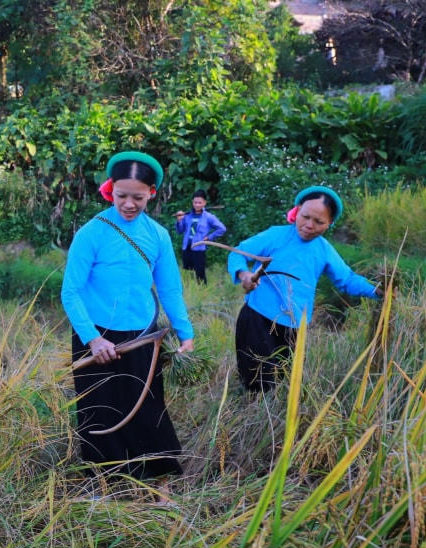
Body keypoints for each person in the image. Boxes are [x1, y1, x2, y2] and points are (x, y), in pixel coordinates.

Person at [61, 151, 195, 492]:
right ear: (110, 190)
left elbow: (169, 288)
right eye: (122, 196)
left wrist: (185, 332)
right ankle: (105, 484)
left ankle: (157, 482)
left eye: (138, 197)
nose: (129, 204)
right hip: (97, 336)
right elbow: (71, 292)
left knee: (147, 407)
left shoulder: (159, 235)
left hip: (143, 337)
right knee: (99, 410)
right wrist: (93, 339)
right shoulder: (92, 233)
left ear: (152, 192)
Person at [227, 186, 382, 392]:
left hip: (294, 326)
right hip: (258, 318)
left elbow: (347, 279)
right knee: (257, 382)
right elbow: (237, 254)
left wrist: (375, 291)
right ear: (297, 210)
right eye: (305, 216)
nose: (309, 225)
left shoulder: (324, 250)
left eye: (319, 222)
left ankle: (277, 422)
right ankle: (249, 417)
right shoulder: (276, 236)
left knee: (286, 381)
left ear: (329, 224)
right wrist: (243, 274)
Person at [174, 189, 227, 284]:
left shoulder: (208, 217)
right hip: (186, 247)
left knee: (200, 273)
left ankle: (203, 292)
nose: (197, 205)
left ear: (204, 203)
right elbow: (179, 231)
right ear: (192, 202)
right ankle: (188, 292)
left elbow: (222, 229)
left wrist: (209, 238)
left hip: (199, 248)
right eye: (195, 202)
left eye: (200, 202)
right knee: (187, 273)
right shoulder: (187, 216)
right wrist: (179, 220)